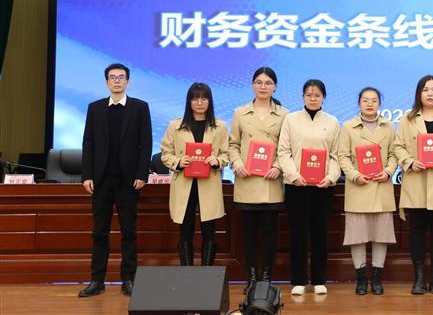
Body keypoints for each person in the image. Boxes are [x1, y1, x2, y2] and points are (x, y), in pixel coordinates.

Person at [79, 63, 152, 297]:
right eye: (113, 77)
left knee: (129, 231)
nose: (117, 81)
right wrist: (87, 175)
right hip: (101, 181)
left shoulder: (140, 108)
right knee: (99, 232)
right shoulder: (95, 108)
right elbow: (88, 143)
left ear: (127, 81)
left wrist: (142, 174)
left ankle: (128, 279)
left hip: (128, 181)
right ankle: (97, 280)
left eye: (121, 77)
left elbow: (146, 143)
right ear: (106, 82)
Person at [393, 75, 433, 295]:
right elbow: (398, 146)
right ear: (419, 93)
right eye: (425, 89)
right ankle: (419, 277)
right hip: (416, 181)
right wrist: (410, 161)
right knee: (417, 231)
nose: (430, 93)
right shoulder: (407, 119)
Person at [277, 79, 341, 296]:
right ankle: (299, 280)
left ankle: (319, 280)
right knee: (298, 233)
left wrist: (331, 177)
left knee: (320, 233)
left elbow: (336, 155)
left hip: (323, 187)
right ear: (303, 97)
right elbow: (283, 151)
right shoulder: (291, 119)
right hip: (297, 186)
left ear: (324, 97)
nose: (313, 98)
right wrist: (293, 175)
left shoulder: (332, 122)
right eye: (309, 95)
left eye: (317, 95)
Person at [228, 67, 288, 293]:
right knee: (249, 233)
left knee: (270, 233)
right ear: (253, 85)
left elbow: (287, 147)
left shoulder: (284, 114)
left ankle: (266, 278)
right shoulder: (240, 113)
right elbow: (233, 144)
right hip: (247, 180)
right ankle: (252, 277)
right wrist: (237, 164)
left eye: (268, 83)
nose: (263, 86)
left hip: (271, 181)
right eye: (259, 82)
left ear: (275, 87)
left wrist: (278, 166)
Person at [160, 83, 229, 268]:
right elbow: (165, 153)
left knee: (209, 231)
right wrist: (178, 162)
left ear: (210, 101)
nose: (199, 103)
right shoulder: (175, 126)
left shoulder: (220, 126)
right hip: (185, 183)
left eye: (204, 98)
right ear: (189, 101)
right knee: (185, 231)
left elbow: (227, 153)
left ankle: (207, 274)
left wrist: (218, 160)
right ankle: (187, 273)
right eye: (195, 99)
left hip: (209, 183)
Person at [337, 87, 398, 296]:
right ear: (359, 103)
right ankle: (361, 279)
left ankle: (377, 279)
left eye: (374, 100)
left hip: (381, 186)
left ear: (379, 103)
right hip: (358, 187)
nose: (369, 104)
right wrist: (354, 175)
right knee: (358, 236)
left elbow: (394, 154)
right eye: (365, 100)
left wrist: (388, 172)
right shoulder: (348, 127)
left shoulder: (389, 126)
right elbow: (343, 156)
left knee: (381, 235)